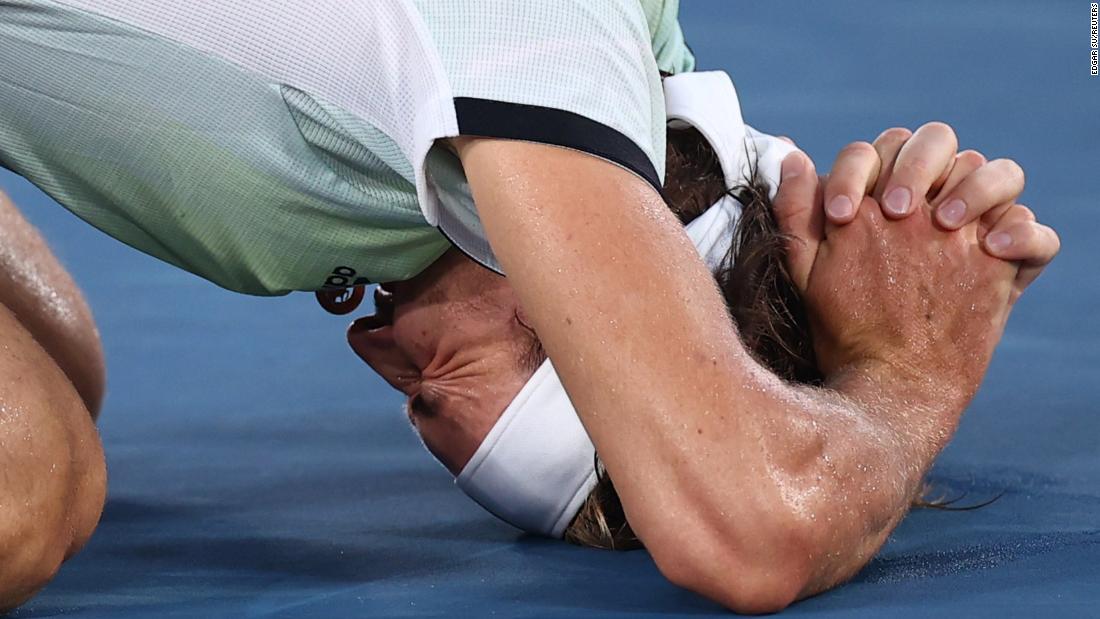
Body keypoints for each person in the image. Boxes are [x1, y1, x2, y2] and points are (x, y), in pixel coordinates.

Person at [0, 1, 1059, 614]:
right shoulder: (541, 36)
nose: (373, 355)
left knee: (60, 358)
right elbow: (750, 526)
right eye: (441, 384)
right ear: (568, 309)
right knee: (20, 487)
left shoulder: (605, 104)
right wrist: (908, 377)